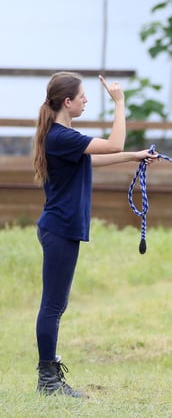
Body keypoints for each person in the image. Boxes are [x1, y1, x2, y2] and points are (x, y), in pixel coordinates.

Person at [32, 71, 157, 398]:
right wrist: (119, 103)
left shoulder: (64, 136)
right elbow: (114, 141)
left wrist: (135, 156)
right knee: (53, 306)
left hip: (62, 228)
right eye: (83, 96)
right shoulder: (60, 136)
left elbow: (96, 159)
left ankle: (49, 376)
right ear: (67, 102)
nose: (87, 100)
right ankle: (48, 380)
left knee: (57, 304)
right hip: (59, 229)